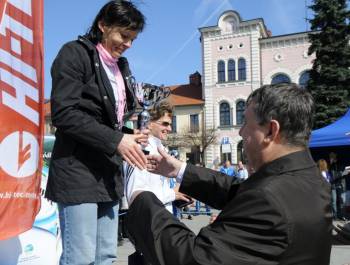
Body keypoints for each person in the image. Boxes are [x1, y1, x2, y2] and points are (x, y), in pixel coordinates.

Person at [127, 83, 332, 265]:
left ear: (271, 131)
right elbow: (238, 190)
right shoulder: (309, 180)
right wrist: (180, 170)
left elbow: (192, 258)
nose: (241, 132)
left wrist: (141, 198)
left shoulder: (269, 199)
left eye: (246, 123)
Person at [45, 1, 146, 264]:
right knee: (80, 257)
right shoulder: (74, 54)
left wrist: (130, 138)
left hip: (108, 173)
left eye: (133, 39)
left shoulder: (121, 67)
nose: (128, 44)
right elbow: (64, 113)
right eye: (123, 36)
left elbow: (112, 121)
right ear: (103, 25)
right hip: (77, 172)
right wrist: (117, 140)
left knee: (106, 257)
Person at [124, 101, 189, 212]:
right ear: (149, 123)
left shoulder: (161, 149)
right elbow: (135, 196)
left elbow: (159, 188)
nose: (169, 129)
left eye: (170, 124)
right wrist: (173, 194)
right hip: (148, 222)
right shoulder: (140, 149)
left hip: (164, 218)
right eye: (165, 124)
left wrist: (179, 197)